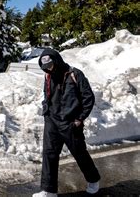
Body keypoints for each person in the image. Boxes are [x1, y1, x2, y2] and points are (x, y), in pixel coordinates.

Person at [33, 48, 101, 197]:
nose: (49, 69)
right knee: (49, 154)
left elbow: (88, 98)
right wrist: (46, 111)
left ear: (57, 61)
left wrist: (79, 119)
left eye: (50, 65)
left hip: (70, 122)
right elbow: (47, 95)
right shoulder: (48, 76)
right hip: (52, 121)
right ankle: (49, 190)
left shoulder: (75, 74)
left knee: (79, 153)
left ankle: (93, 180)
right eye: (46, 67)